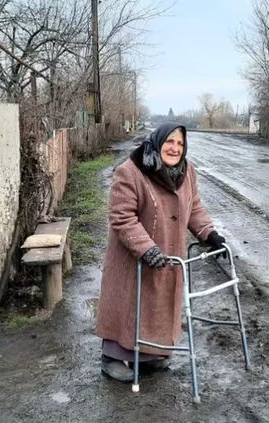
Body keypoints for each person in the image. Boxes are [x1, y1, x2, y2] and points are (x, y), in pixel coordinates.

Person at [95, 122, 227, 382]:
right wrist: (146, 249)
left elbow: (195, 206)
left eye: (180, 143)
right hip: (134, 257)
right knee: (131, 303)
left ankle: (148, 356)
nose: (175, 148)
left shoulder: (186, 172)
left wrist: (209, 234)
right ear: (157, 142)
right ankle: (111, 356)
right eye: (169, 142)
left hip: (168, 254)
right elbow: (122, 217)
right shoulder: (131, 171)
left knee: (158, 306)